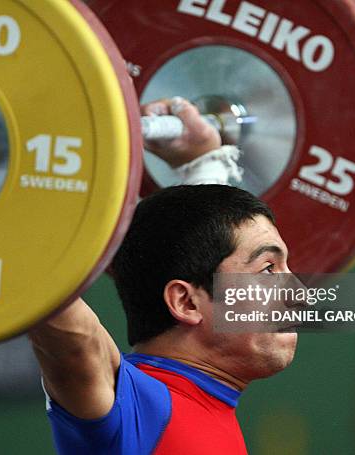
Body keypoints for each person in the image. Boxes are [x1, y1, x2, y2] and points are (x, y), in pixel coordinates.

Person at [29, 98, 300, 454]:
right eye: (268, 269)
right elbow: (74, 340)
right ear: (186, 302)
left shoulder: (209, 403)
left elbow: (206, 247)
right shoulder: (136, 408)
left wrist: (204, 163)